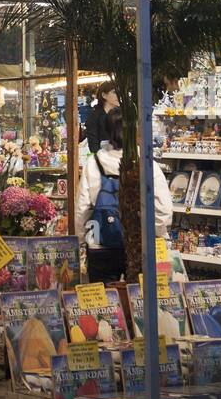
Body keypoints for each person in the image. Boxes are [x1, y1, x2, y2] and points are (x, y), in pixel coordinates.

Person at [74, 107, 173, 282]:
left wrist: (85, 241)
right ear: (134, 130)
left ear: (106, 130)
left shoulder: (93, 163)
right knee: (139, 301)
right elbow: (163, 208)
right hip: (139, 246)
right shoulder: (146, 163)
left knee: (105, 302)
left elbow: (82, 209)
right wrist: (157, 236)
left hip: (100, 246)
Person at [80, 81, 118, 153]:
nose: (119, 95)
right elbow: (94, 148)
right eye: (114, 92)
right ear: (104, 95)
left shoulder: (122, 115)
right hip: (104, 160)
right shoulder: (94, 118)